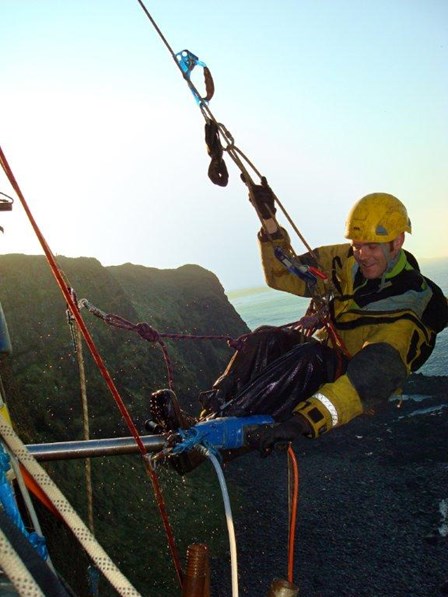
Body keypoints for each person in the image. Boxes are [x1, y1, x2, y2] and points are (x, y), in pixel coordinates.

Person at [147, 189, 448, 465]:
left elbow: (367, 379)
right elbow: (284, 272)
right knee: (265, 337)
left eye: (372, 246)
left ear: (397, 241)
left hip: (359, 382)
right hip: (329, 355)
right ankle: (207, 418)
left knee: (309, 358)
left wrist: (300, 423)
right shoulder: (345, 262)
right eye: (357, 245)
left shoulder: (409, 306)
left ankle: (206, 440)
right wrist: (270, 224)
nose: (362, 254)